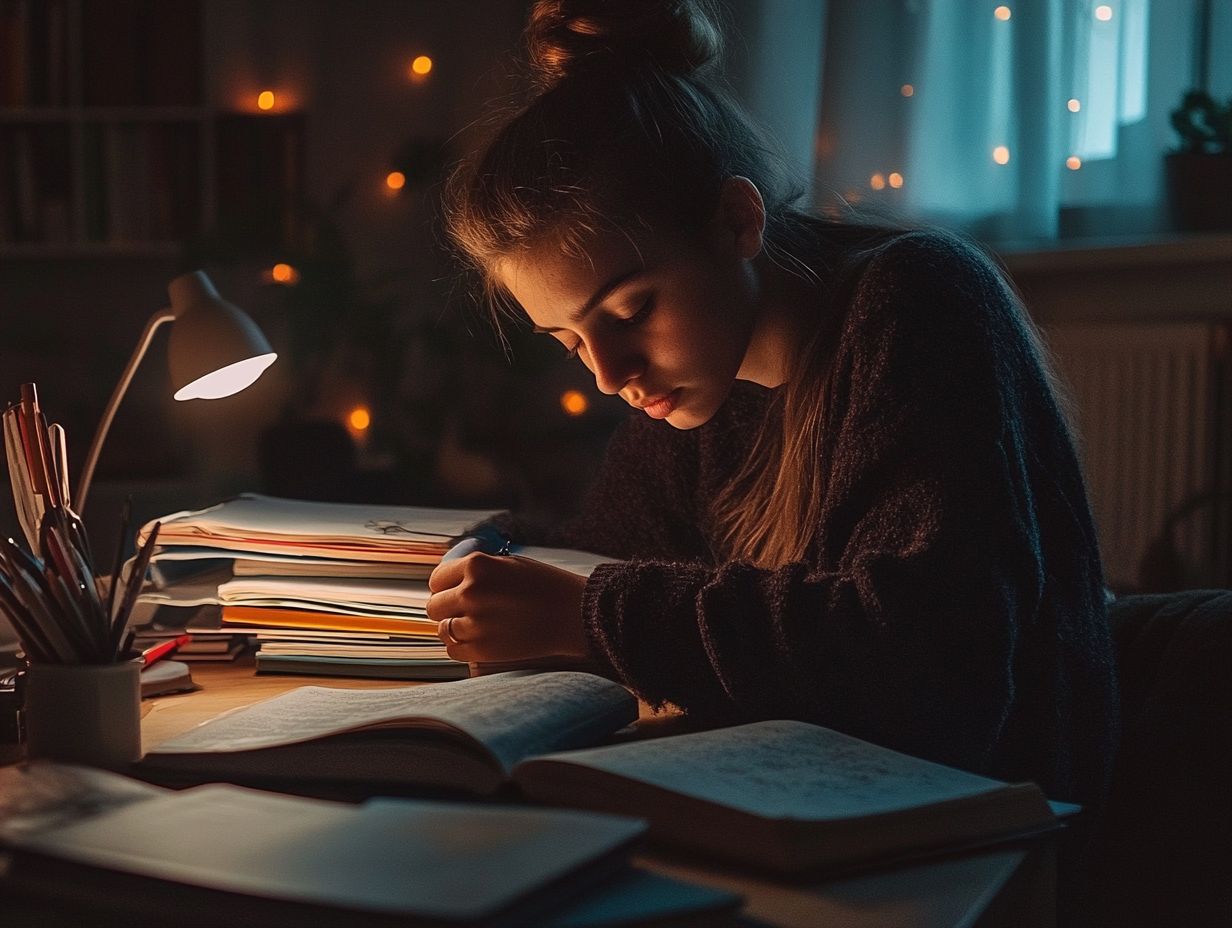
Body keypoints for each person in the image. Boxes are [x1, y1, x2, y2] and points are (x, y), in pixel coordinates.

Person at [428, 0, 1116, 814]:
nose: (608, 375)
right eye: (569, 340)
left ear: (737, 220)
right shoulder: (696, 389)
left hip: (989, 834)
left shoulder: (918, 299)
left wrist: (589, 615)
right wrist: (492, 554)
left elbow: (934, 669)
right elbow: (605, 552)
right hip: (811, 805)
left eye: (632, 310)